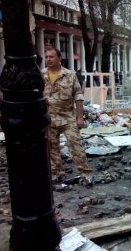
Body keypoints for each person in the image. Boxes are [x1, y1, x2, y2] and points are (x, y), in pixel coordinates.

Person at [43, 47, 93, 183]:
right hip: (49, 119)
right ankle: (57, 173)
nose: (48, 59)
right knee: (52, 148)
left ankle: (85, 172)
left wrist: (79, 117)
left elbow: (78, 96)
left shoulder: (70, 75)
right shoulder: (41, 75)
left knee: (75, 145)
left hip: (67, 118)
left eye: (51, 57)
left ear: (59, 58)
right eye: (46, 57)